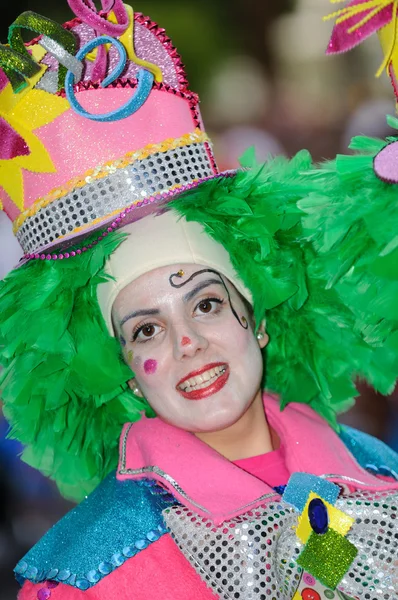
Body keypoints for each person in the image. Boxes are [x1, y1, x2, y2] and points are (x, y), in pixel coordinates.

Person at [1, 1, 398, 599]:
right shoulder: (88, 577)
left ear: (257, 318)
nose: (186, 342)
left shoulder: (380, 478)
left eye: (207, 303)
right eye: (145, 331)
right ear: (130, 375)